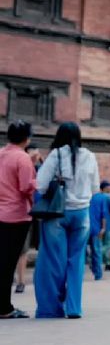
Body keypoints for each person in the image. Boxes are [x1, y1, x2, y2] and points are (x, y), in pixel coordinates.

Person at [34, 122, 100, 319]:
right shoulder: (90, 156)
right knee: (76, 260)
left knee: (54, 261)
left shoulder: (57, 154)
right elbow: (95, 188)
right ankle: (73, 308)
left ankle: (50, 309)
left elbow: (40, 185)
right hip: (82, 214)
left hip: (58, 214)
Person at [0, 121, 36, 319]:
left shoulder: (1, 153)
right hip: (16, 216)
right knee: (8, 263)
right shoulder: (22, 158)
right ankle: (4, 308)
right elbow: (26, 188)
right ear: (26, 137)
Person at [13, 143, 41, 294]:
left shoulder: (38, 168)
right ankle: (17, 280)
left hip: (28, 213)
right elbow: (25, 187)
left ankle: (21, 281)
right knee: (17, 249)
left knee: (22, 250)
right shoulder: (21, 164)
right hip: (18, 211)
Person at [88, 181, 110, 279]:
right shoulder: (105, 197)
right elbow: (104, 214)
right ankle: (98, 274)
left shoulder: (86, 197)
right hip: (97, 227)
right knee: (99, 249)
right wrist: (103, 228)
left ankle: (103, 264)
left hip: (84, 227)